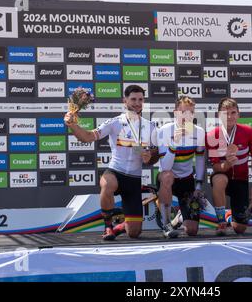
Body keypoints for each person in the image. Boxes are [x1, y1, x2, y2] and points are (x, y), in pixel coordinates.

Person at [64, 85, 158, 240]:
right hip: (115, 172)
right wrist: (73, 125)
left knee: (134, 232)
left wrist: (150, 157)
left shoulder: (150, 126)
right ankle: (108, 226)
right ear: (125, 101)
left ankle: (121, 226)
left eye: (140, 99)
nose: (137, 103)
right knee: (107, 184)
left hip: (134, 179)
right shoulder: (114, 123)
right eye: (133, 99)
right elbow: (87, 137)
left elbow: (154, 157)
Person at [206, 98, 252, 236]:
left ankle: (232, 216)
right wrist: (228, 164)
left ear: (238, 114)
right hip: (223, 176)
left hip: (241, 180)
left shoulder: (248, 131)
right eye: (225, 113)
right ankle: (221, 222)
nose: (229, 117)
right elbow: (216, 168)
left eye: (233, 112)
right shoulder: (212, 135)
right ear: (219, 115)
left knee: (240, 228)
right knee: (219, 180)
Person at [157, 96, 206, 238]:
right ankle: (166, 224)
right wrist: (174, 143)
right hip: (167, 178)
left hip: (187, 180)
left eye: (191, 113)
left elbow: (200, 159)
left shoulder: (199, 132)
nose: (187, 116)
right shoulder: (165, 131)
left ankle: (179, 218)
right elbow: (165, 166)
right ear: (175, 112)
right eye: (183, 112)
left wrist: (198, 187)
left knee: (192, 231)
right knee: (167, 176)